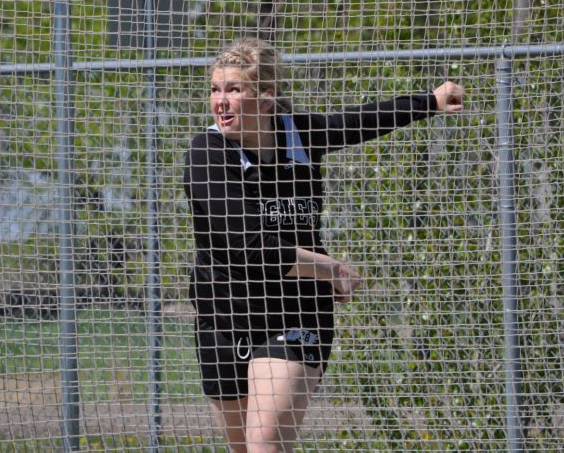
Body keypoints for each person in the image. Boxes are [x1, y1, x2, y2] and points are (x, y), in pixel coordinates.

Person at [183, 37, 465, 452]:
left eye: (233, 89)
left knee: (265, 444)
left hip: (296, 312)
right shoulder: (206, 153)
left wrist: (430, 101)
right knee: (242, 447)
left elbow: (359, 121)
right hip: (225, 318)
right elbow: (247, 245)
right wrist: (328, 267)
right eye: (215, 89)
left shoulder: (299, 133)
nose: (220, 101)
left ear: (265, 98)